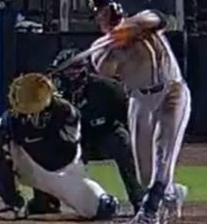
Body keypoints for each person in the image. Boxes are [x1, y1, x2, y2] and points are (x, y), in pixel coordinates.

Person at [87, 0, 190, 224]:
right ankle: (172, 192)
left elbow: (159, 19)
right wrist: (115, 45)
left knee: (165, 153)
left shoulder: (141, 19)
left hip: (173, 90)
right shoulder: (100, 48)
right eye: (99, 12)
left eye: (106, 9)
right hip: (140, 99)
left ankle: (149, 215)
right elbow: (106, 70)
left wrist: (130, 29)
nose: (104, 15)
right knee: (145, 172)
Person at [0, 72, 120, 221]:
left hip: (62, 172)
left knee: (103, 209)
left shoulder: (65, 112)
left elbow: (63, 145)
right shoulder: (13, 117)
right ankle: (14, 204)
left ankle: (47, 199)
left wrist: (45, 100)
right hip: (29, 164)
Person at [46, 48, 148, 214]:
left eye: (75, 68)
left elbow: (130, 118)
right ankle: (45, 201)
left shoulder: (107, 89)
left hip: (104, 136)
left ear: (84, 69)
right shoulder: (50, 94)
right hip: (74, 142)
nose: (71, 74)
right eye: (67, 70)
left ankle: (139, 199)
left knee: (121, 141)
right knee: (45, 149)